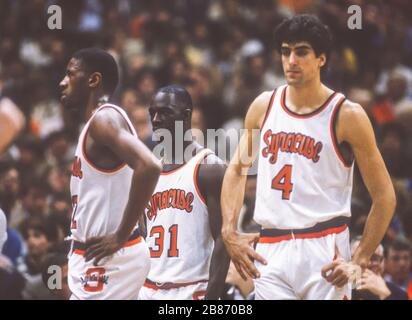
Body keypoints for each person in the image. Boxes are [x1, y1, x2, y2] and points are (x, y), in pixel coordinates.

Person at [221, 14, 396, 300]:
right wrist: (229, 230)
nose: (291, 60)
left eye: (301, 52)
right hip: (271, 247)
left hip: (325, 249)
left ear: (321, 59)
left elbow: (385, 196)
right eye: (285, 51)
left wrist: (359, 258)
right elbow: (237, 171)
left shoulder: (346, 115)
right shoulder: (263, 106)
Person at [59, 48, 162, 300]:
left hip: (110, 261)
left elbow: (149, 165)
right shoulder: (99, 122)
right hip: (98, 259)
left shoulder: (103, 120)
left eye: (70, 75)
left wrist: (121, 233)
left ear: (93, 80)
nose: (62, 82)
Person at [138, 85, 230, 300]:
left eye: (165, 112)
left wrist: (212, 298)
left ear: (186, 116)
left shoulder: (210, 168)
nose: (157, 119)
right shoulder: (149, 172)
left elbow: (224, 240)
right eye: (153, 113)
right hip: (149, 289)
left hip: (192, 288)